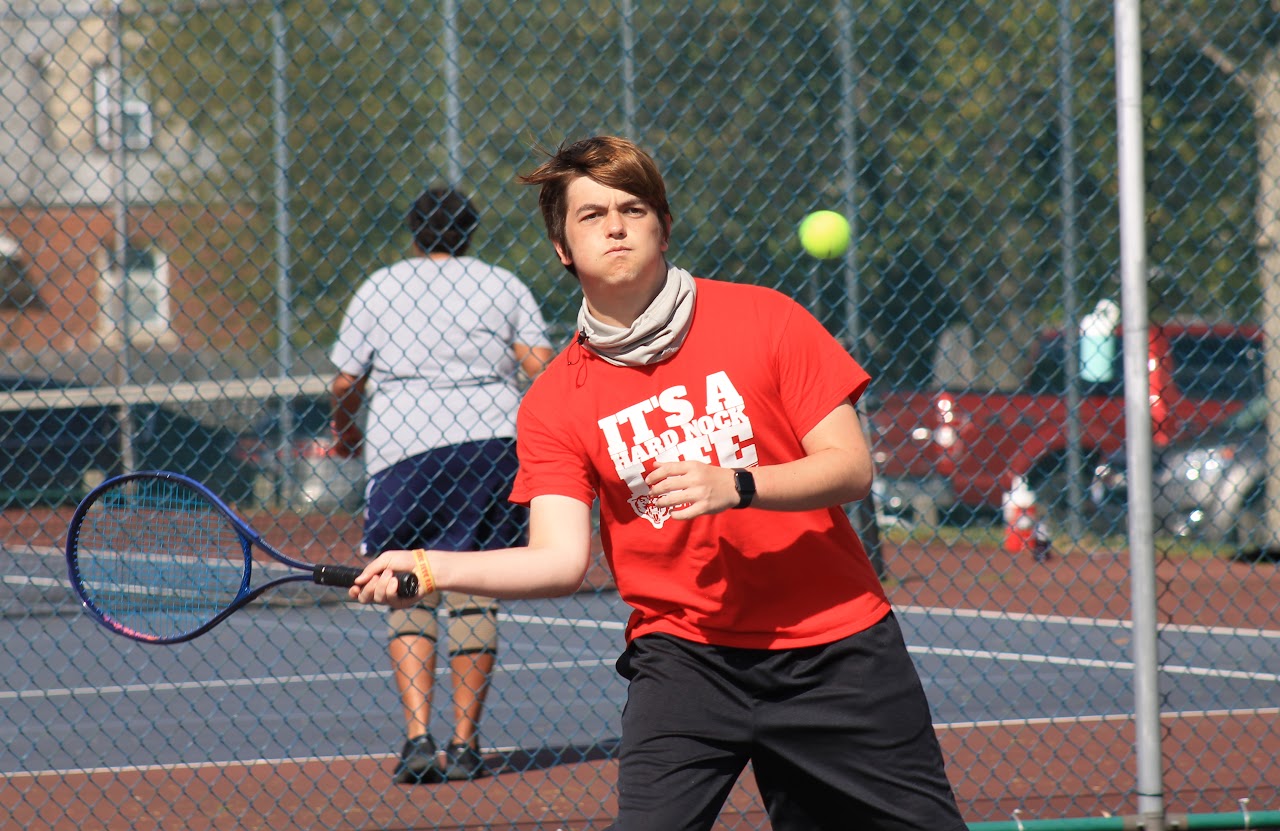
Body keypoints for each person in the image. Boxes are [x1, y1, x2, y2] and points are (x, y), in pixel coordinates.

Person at [350, 137, 966, 830]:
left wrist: (736, 483)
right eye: (590, 215)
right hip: (686, 660)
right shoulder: (555, 399)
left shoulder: (765, 318)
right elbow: (558, 558)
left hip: (836, 648)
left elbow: (850, 467)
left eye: (633, 207)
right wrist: (428, 566)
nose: (614, 225)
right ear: (562, 247)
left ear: (663, 226)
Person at [330, 185, 553, 784]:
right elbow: (540, 367)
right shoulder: (501, 283)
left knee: (408, 586)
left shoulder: (382, 285)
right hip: (490, 445)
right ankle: (466, 744)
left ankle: (417, 739)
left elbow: (345, 380)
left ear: (413, 231)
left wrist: (346, 432)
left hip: (404, 447)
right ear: (471, 232)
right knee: (474, 583)